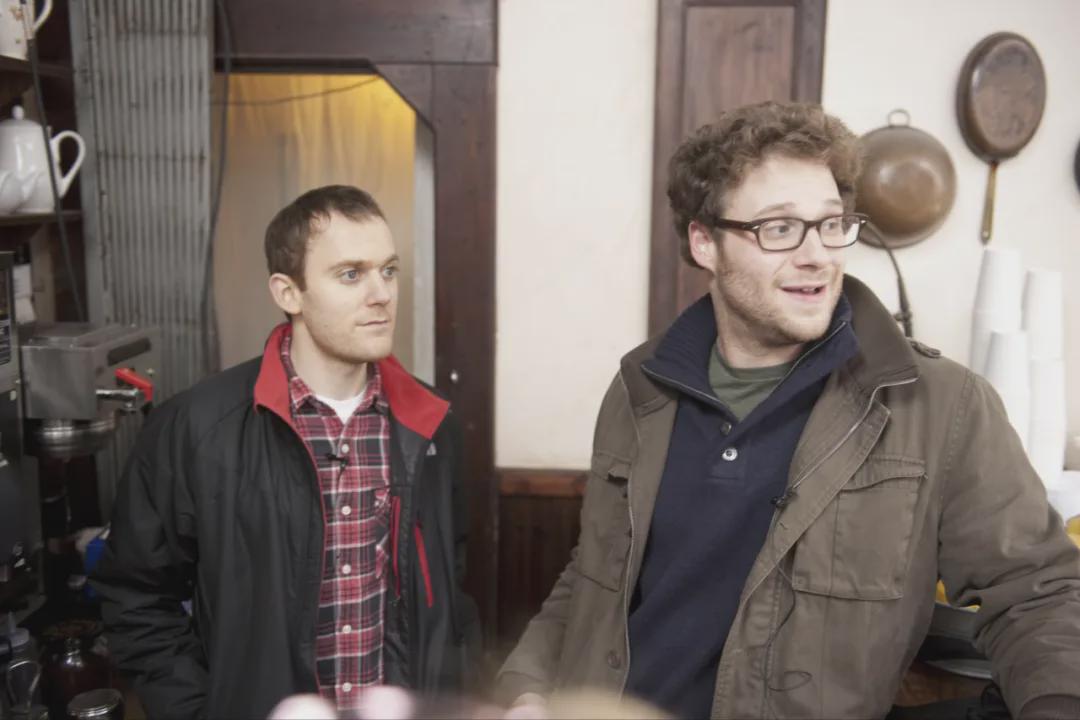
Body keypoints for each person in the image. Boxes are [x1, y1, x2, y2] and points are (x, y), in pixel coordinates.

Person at [497, 102, 1080, 719]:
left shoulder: (942, 405)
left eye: (831, 224)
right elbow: (591, 576)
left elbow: (1037, 595)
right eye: (778, 229)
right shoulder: (639, 388)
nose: (817, 255)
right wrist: (527, 688)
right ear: (705, 242)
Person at [93, 185, 478, 719]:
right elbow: (136, 598)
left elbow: (448, 593)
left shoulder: (431, 425)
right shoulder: (197, 429)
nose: (382, 294)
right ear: (288, 292)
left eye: (388, 271)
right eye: (351, 274)